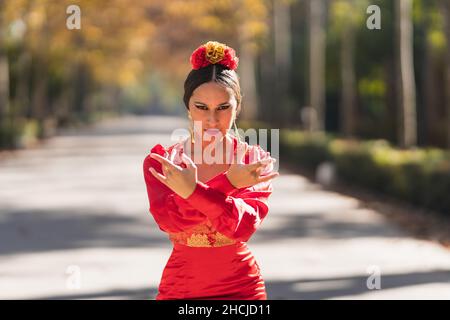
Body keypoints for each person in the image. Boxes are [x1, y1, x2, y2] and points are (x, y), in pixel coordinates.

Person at [143, 40, 279, 300]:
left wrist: (191, 191)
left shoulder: (254, 161)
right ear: (187, 108)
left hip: (242, 290)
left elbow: (241, 227)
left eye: (223, 108)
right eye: (201, 107)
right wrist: (229, 183)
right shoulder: (163, 161)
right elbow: (171, 220)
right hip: (181, 287)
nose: (212, 120)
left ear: (237, 107)